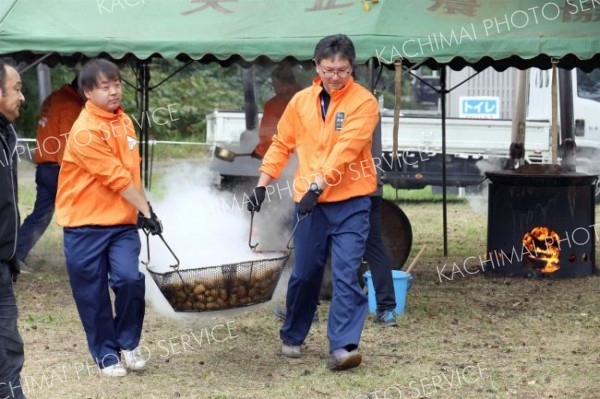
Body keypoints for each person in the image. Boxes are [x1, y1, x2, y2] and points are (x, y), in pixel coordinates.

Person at [246, 34, 379, 371]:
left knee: (347, 275)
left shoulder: (364, 103)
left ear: (352, 68)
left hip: (350, 202)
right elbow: (281, 144)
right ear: (317, 66)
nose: (336, 76)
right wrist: (262, 184)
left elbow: (345, 150)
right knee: (305, 273)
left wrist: (317, 187)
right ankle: (293, 334)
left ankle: (343, 346)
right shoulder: (301, 102)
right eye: (329, 69)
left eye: (343, 70)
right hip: (309, 205)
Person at [55, 59, 163, 378]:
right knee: (92, 294)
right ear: (88, 92)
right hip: (82, 225)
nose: (114, 91)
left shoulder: (124, 121)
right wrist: (148, 210)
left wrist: (141, 211)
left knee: (129, 279)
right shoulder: (85, 131)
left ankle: (128, 342)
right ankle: (106, 354)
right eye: (105, 87)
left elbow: (131, 172)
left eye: (117, 84)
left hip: (120, 224)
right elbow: (115, 177)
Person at [16, 77, 84, 268]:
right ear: (82, 89)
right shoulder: (71, 105)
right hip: (59, 169)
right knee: (77, 216)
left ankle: (16, 255)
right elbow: (67, 142)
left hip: (45, 166)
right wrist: (71, 174)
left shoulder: (53, 98)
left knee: (40, 216)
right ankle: (81, 261)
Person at [0, 59, 27, 399]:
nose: (22, 97)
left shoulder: (6, 134)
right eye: (18, 89)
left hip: (2, 264)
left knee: (8, 348)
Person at [251, 64, 303, 160]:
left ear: (281, 84)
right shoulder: (312, 98)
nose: (274, 88)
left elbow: (267, 136)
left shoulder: (272, 106)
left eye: (274, 84)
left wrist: (260, 151)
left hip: (283, 160)